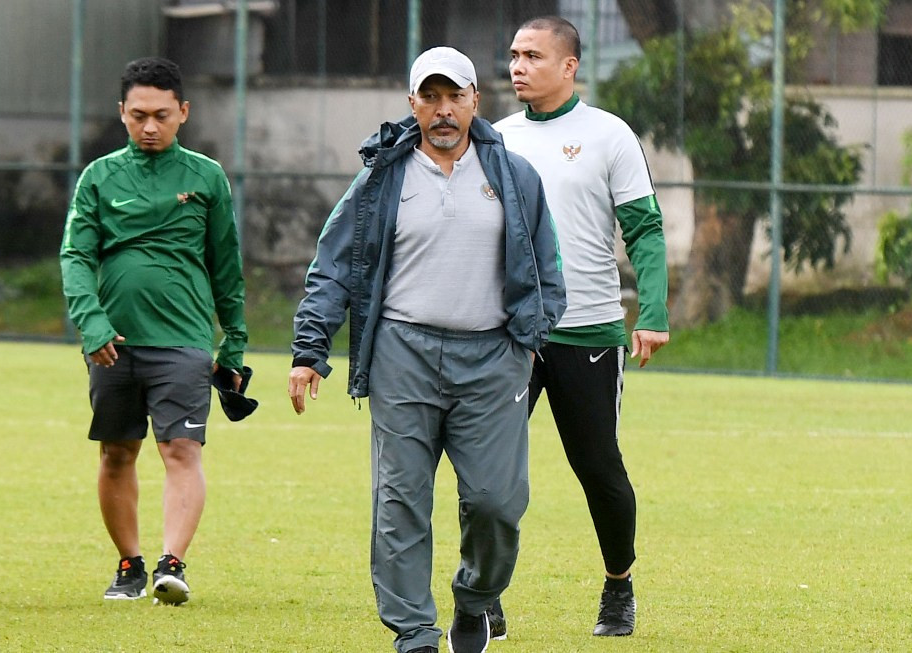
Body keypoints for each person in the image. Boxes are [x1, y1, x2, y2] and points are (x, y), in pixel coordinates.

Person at [288, 47, 565, 653]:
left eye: (454, 97)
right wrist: (310, 350)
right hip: (402, 354)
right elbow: (333, 268)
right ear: (411, 103)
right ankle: (414, 634)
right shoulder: (381, 180)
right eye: (429, 98)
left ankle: (475, 598)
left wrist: (533, 334)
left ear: (475, 100)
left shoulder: (515, 178)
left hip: (493, 359)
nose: (442, 111)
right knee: (400, 503)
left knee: (497, 502)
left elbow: (547, 268)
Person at [492, 16, 670, 638]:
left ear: (569, 66)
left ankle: (618, 584)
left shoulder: (609, 136)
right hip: (510, 332)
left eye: (532, 55)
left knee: (597, 466)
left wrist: (652, 313)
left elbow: (644, 229)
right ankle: (483, 589)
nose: (517, 65)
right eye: (514, 54)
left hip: (588, 330)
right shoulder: (496, 138)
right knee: (487, 468)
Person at [60, 57, 248, 605]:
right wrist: (91, 322)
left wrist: (233, 340)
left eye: (161, 115)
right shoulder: (97, 178)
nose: (149, 126)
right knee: (117, 453)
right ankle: (129, 564)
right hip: (112, 344)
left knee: (181, 449)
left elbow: (226, 265)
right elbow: (75, 255)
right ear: (121, 113)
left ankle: (172, 563)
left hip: (185, 341)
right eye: (138, 115)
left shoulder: (207, 176)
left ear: (182, 113)